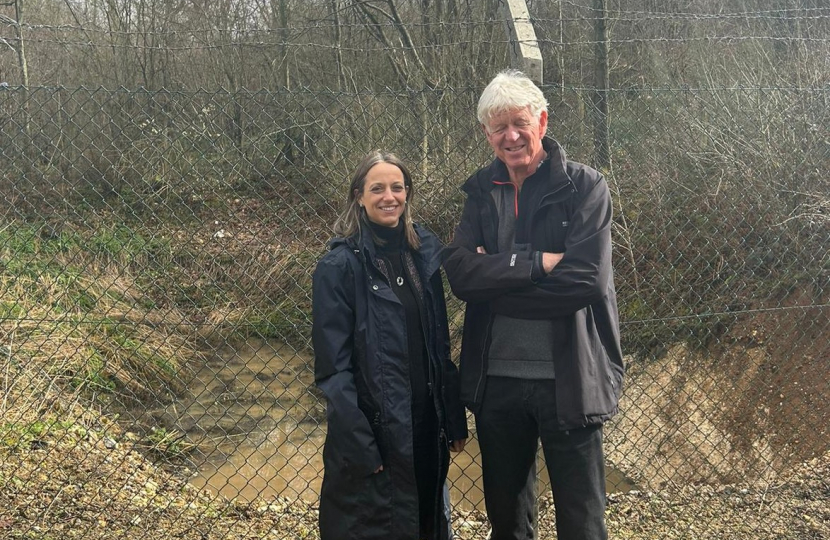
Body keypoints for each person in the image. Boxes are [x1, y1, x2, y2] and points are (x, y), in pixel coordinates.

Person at [441, 69, 625, 540]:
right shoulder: (480, 192)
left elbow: (584, 281)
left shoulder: (584, 187)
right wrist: (538, 264)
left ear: (542, 121)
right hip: (496, 382)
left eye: (520, 122)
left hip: (569, 378)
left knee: (582, 522)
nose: (511, 136)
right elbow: (461, 274)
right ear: (486, 134)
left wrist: (497, 276)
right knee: (507, 521)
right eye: (498, 127)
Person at [312, 150, 468, 540]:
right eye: (377, 188)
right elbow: (333, 371)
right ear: (358, 196)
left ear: (408, 193)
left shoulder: (423, 255)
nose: (389, 196)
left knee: (428, 524)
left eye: (397, 187)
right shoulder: (338, 268)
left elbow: (438, 344)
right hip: (377, 439)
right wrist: (361, 445)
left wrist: (452, 417)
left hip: (426, 429)